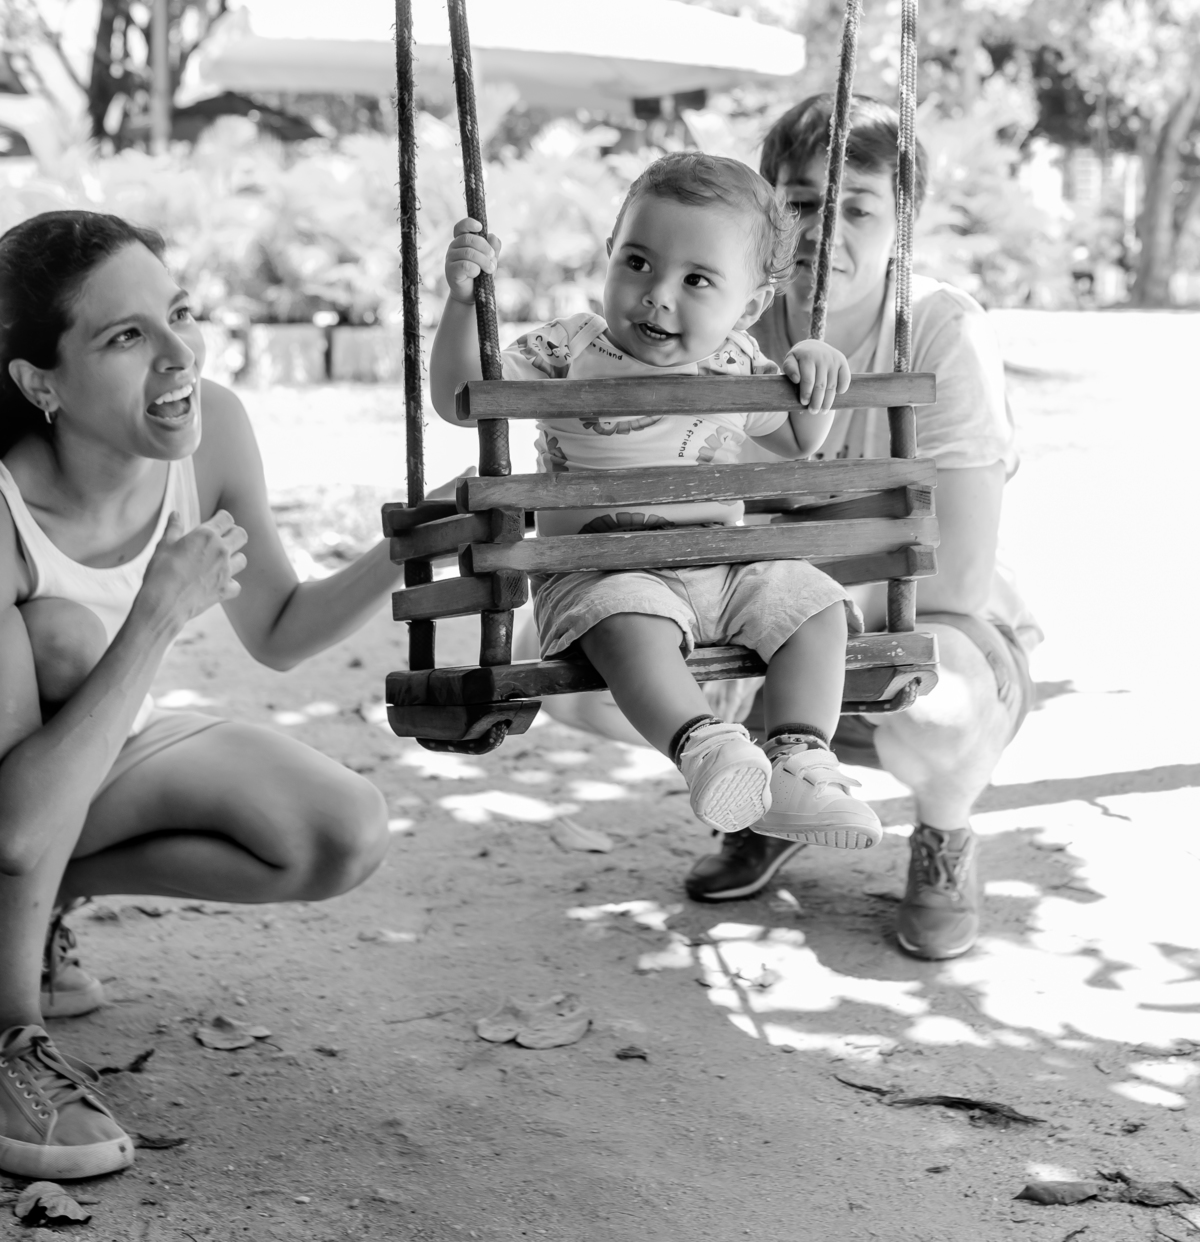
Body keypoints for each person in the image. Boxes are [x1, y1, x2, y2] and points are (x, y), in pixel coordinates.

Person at [0, 210, 406, 1181]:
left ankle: (51, 903)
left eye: (177, 314)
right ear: (38, 381)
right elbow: (12, 826)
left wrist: (405, 551)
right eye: (126, 334)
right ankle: (8, 1033)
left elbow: (276, 629)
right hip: (15, 790)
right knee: (62, 638)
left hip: (80, 759)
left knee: (339, 829)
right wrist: (153, 615)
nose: (181, 354)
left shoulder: (211, 425)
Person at [431, 152, 882, 849]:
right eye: (637, 263)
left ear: (751, 306)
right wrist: (464, 305)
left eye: (696, 279)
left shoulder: (736, 362)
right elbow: (463, 399)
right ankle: (706, 748)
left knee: (813, 601)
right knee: (627, 618)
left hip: (722, 572)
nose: (657, 294)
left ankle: (798, 761)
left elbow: (796, 437)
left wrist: (816, 368)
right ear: (610, 257)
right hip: (599, 576)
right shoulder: (567, 349)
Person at [682, 94, 1041, 961]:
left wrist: (793, 573)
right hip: (765, 618)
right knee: (586, 652)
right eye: (801, 201)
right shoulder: (722, 319)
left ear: (903, 218)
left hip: (914, 616)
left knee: (943, 712)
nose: (822, 229)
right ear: (768, 211)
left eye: (858, 206)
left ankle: (944, 831)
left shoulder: (941, 328)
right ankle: (781, 797)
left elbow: (954, 577)